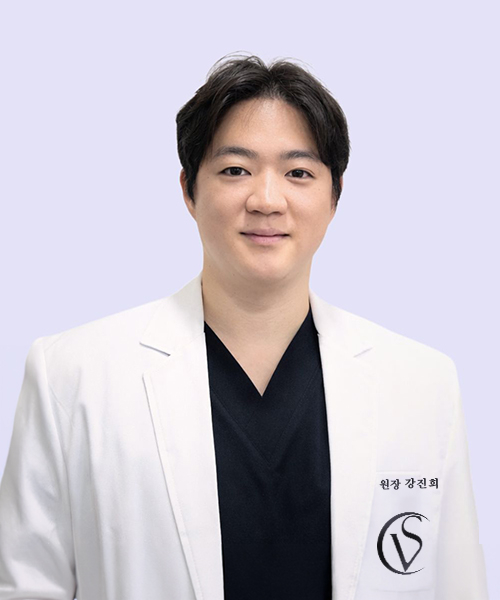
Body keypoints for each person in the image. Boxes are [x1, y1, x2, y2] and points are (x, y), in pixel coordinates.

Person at [0, 53, 488, 600]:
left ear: (334, 197)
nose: (267, 201)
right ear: (189, 190)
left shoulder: (422, 383)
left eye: (299, 173)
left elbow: (456, 586)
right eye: (235, 170)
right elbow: (27, 586)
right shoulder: (74, 375)